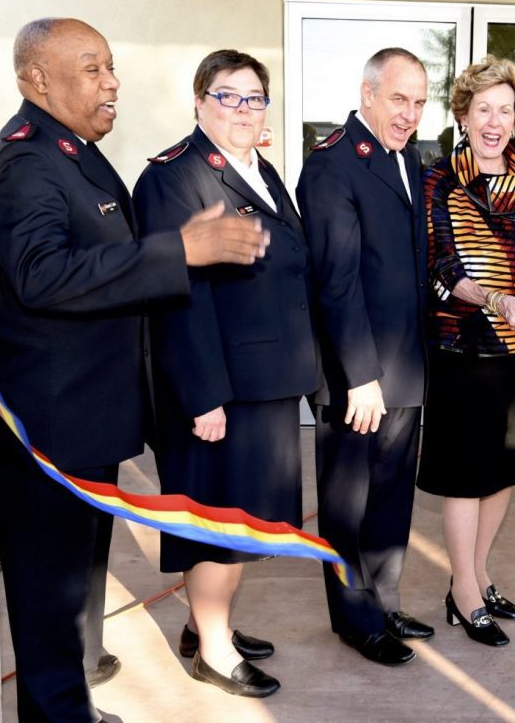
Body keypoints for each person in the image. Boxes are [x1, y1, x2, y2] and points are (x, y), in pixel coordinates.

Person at [0, 19, 269, 722]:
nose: (112, 83)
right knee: (50, 590)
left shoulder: (74, 151)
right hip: (53, 423)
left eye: (111, 67)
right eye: (92, 69)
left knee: (78, 583)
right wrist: (180, 251)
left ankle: (70, 705)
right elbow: (42, 275)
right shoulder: (25, 162)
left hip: (91, 416)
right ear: (36, 79)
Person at [133, 49, 318, 696]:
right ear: (199, 102)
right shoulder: (173, 177)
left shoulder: (262, 169)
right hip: (220, 391)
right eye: (228, 96)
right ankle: (213, 651)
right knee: (218, 522)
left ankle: (209, 626)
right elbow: (177, 296)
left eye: (254, 97)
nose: (244, 109)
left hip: (266, 383)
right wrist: (204, 396)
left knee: (244, 520)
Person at [296, 47, 433, 666]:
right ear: (368, 94)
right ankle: (355, 619)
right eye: (399, 99)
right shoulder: (332, 166)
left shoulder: (409, 161)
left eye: (420, 102)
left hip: (404, 368)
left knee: (391, 498)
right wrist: (361, 376)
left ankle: (385, 598)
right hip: (360, 376)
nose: (410, 113)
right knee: (349, 503)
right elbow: (337, 282)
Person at [415, 56, 515, 647]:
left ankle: (480, 574)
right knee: (466, 476)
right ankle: (463, 591)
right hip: (461, 348)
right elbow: (441, 267)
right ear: (463, 114)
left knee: (503, 472)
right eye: (482, 109)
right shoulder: (439, 180)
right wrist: (496, 299)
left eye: (505, 109)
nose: (494, 121)